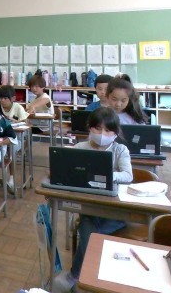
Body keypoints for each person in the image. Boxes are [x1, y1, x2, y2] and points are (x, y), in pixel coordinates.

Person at [53, 107, 132, 293]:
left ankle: (75, 275)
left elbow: (128, 175)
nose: (102, 134)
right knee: (90, 229)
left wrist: (106, 175)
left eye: (108, 130)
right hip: (88, 208)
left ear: (116, 132)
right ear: (90, 127)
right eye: (98, 128)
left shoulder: (120, 150)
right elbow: (67, 171)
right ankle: (89, 278)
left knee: (90, 235)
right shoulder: (80, 148)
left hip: (115, 212)